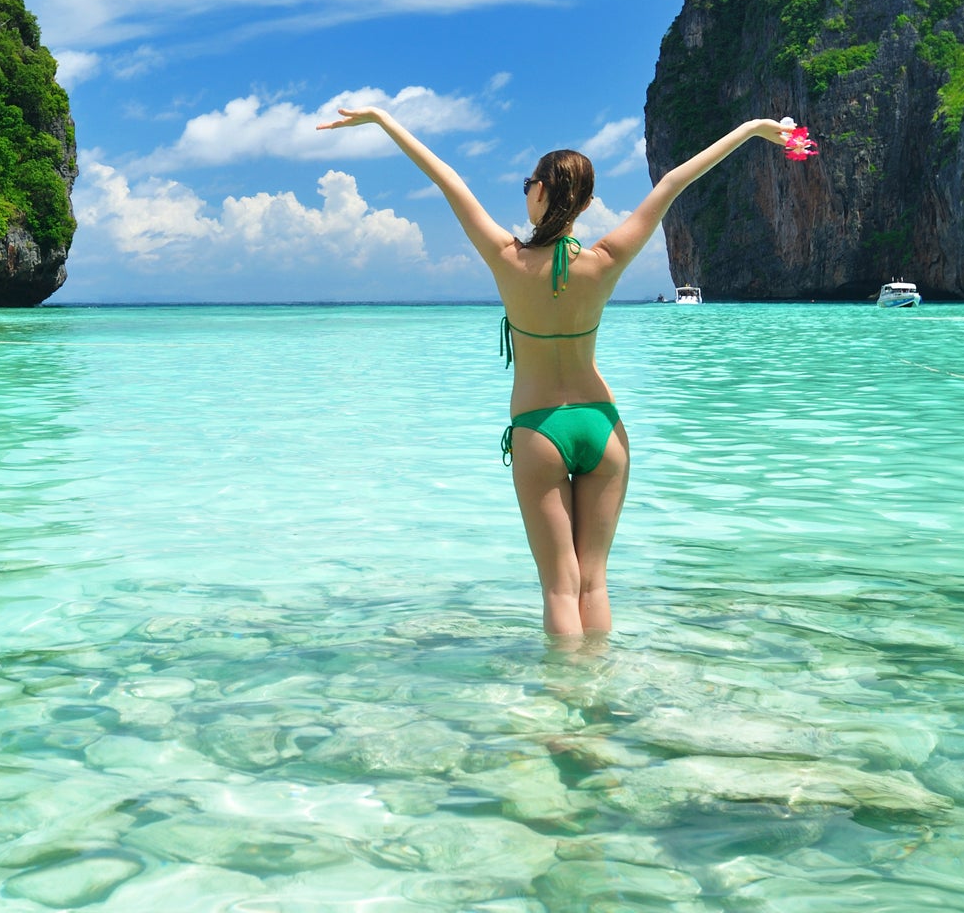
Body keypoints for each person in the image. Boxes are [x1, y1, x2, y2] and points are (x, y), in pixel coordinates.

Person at [315, 107, 797, 638]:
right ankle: (598, 698)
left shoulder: (507, 258)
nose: (525, 192)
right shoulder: (607, 258)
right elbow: (676, 180)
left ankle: (563, 712)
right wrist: (753, 129)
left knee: (560, 588)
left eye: (528, 184)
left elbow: (445, 177)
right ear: (587, 203)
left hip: (539, 429)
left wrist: (384, 120)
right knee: (594, 583)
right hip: (603, 426)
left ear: (540, 192)